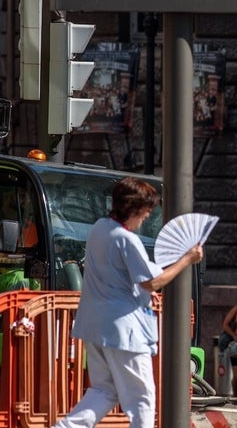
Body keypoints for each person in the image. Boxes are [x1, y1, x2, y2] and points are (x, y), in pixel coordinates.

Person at [53, 177, 204, 428]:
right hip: (124, 330)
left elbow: (124, 276)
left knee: (104, 390)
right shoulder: (126, 239)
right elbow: (152, 282)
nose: (145, 218)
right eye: (145, 213)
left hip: (94, 325)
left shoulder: (99, 229)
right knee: (143, 399)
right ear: (134, 209)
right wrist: (187, 259)